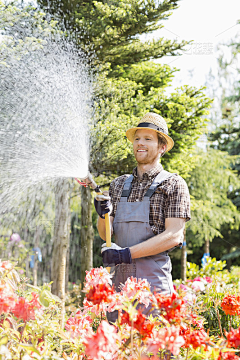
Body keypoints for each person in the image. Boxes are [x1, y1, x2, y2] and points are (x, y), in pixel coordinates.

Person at [94, 112, 191, 322]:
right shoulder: (118, 185)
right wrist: (102, 214)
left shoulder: (173, 184)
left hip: (155, 292)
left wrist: (125, 254)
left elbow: (174, 235)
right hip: (119, 290)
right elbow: (106, 235)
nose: (140, 143)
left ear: (162, 146)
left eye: (148, 139)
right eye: (137, 138)